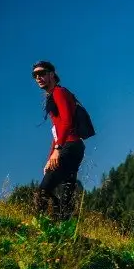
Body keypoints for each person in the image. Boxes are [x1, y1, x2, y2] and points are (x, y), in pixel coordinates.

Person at [32, 61, 85, 221]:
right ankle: (61, 228)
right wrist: (50, 157)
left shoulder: (59, 92)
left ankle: (38, 226)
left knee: (43, 191)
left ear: (52, 74)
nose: (38, 77)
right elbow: (57, 131)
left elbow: (67, 122)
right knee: (66, 194)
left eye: (41, 73)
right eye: (35, 75)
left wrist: (58, 149)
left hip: (69, 146)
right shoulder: (54, 95)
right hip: (72, 147)